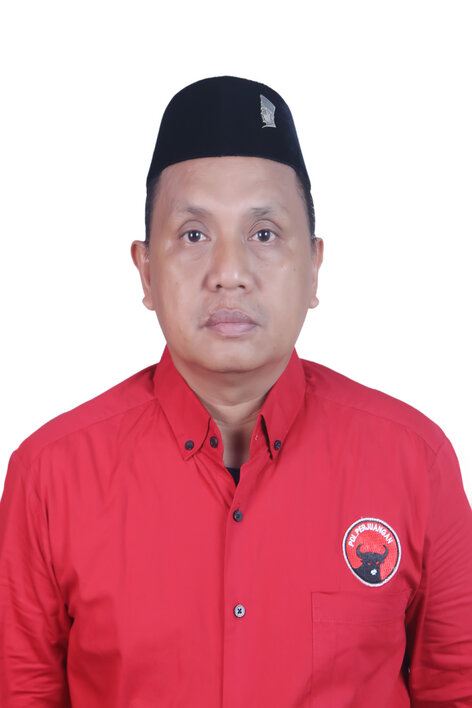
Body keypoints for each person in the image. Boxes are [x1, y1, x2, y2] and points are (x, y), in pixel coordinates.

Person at [0, 75, 471, 707]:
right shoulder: (50, 476)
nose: (229, 274)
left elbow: (456, 685)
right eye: (194, 235)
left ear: (314, 267)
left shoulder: (415, 461)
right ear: (146, 271)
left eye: (264, 233)